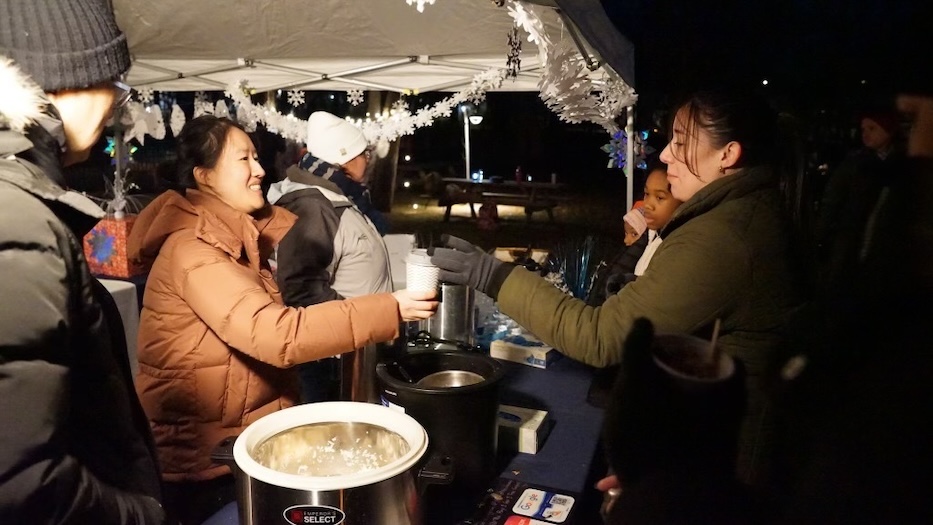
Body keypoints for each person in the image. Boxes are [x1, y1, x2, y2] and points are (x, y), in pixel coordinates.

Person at [430, 88, 806, 488]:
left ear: (727, 154)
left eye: (681, 143)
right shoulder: (741, 214)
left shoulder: (723, 237)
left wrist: (493, 275)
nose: (665, 155)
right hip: (708, 439)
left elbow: (600, 337)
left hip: (718, 466)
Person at [127, 115, 436, 525]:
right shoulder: (194, 250)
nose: (259, 170)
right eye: (243, 159)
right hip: (206, 464)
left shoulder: (233, 240)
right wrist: (389, 309)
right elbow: (276, 335)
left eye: (257, 157)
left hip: (239, 439)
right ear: (204, 175)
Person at [0, 0, 165, 523]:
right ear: (64, 77)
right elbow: (21, 482)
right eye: (112, 82)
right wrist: (142, 514)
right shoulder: (16, 220)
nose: (117, 103)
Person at [267, 111, 394, 403]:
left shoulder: (337, 196)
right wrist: (363, 321)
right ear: (345, 157)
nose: (369, 159)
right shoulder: (314, 206)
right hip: (332, 360)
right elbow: (300, 288)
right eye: (365, 153)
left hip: (354, 351)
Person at [815, 110, 905, 287]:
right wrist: (821, 234)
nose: (865, 134)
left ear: (889, 130)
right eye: (863, 129)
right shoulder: (854, 164)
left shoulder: (902, 164)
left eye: (872, 128)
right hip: (852, 234)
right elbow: (832, 200)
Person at [297, 111, 389, 235]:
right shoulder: (325, 203)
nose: (368, 161)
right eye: (365, 155)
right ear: (346, 160)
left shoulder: (350, 192)